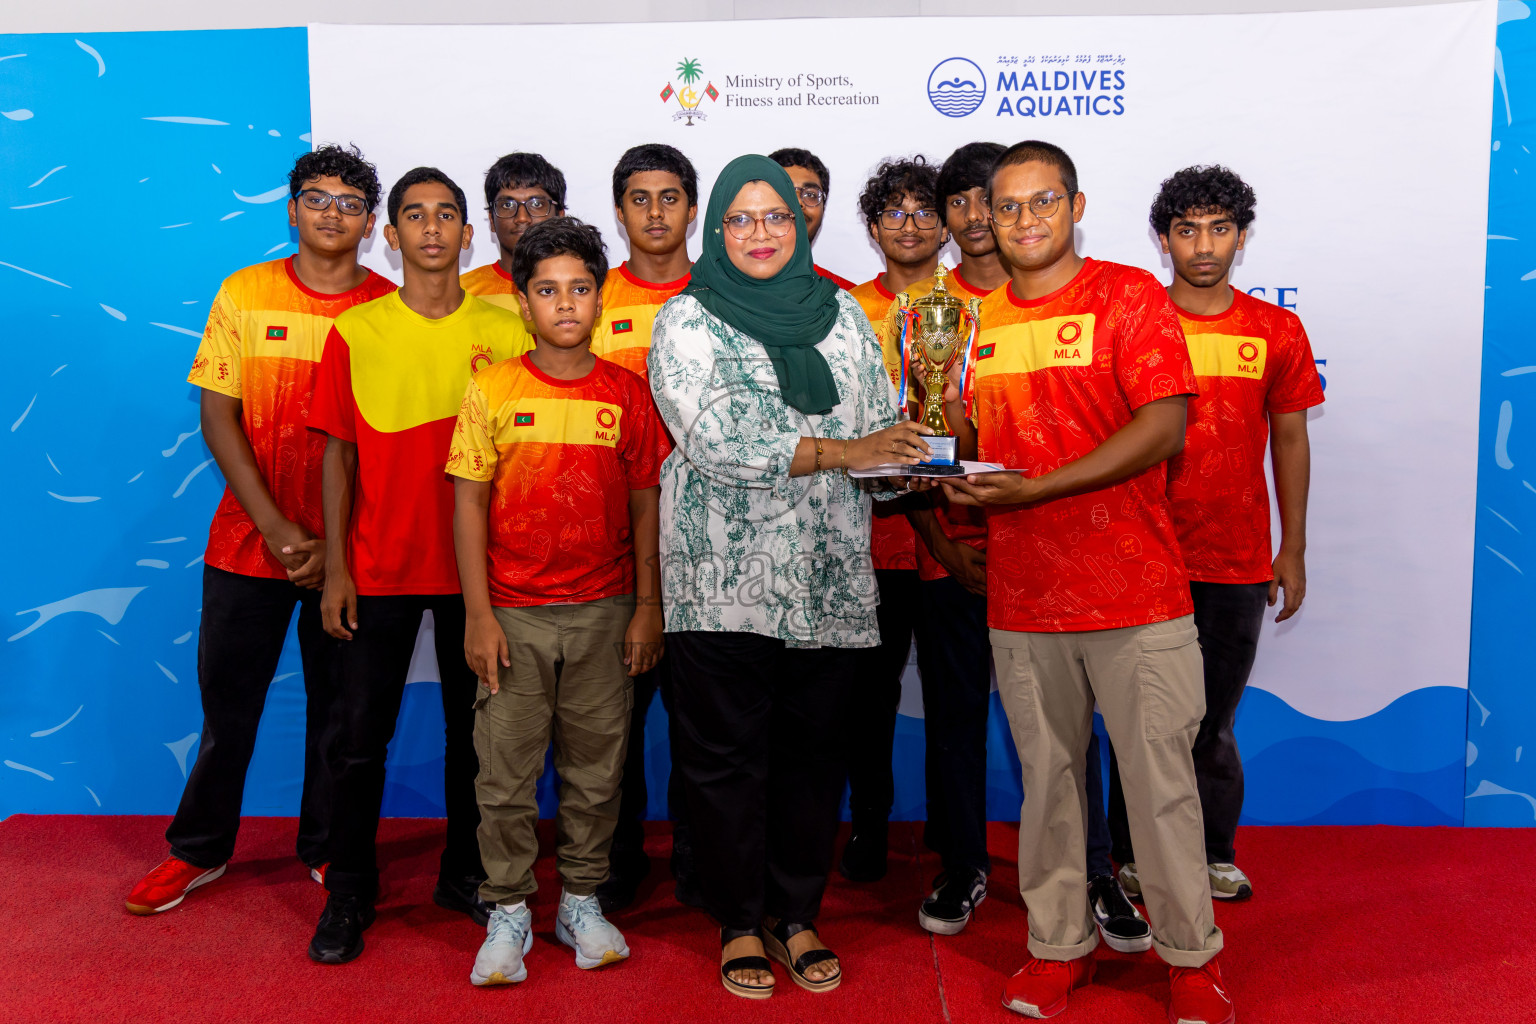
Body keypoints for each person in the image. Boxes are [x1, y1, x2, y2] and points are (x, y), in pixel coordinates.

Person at [931, 141, 1233, 1024]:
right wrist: (943, 461)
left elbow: (1165, 428)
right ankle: (1058, 948)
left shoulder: (1126, 295)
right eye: (1009, 207)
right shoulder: (970, 324)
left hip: (1135, 595)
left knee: (1160, 789)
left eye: (1043, 203)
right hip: (1024, 598)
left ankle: (1190, 960)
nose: (1026, 221)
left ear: (1077, 205)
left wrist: (1037, 488)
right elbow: (968, 438)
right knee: (1050, 786)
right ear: (987, 217)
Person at [647, 154, 933, 1000]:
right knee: (725, 761)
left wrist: (914, 460)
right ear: (717, 229)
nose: (762, 233)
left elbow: (876, 423)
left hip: (830, 578)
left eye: (777, 217)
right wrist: (853, 453)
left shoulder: (843, 313)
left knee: (814, 757)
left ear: (803, 225)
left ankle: (794, 910)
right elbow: (719, 439)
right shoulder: (687, 320)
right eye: (742, 219)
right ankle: (739, 918)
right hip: (720, 582)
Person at [125, 145, 394, 915]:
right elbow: (218, 415)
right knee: (227, 713)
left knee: (340, 717)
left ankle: (325, 850)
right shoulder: (245, 292)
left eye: (349, 203)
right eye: (318, 198)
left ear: (370, 223)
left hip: (349, 557)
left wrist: (330, 549)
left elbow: (384, 441)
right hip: (249, 546)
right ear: (292, 208)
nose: (332, 213)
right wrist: (277, 529)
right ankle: (198, 851)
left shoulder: (386, 308)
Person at [306, 167, 530, 965]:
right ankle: (350, 889)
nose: (432, 227)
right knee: (358, 740)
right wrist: (337, 569)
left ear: (469, 236)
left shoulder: (509, 328)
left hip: (483, 579)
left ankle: (464, 875)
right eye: (413, 216)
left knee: (478, 742)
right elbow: (338, 459)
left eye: (447, 215)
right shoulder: (357, 332)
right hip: (379, 570)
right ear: (389, 237)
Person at [448, 217, 671, 986]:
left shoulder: (628, 394)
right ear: (522, 302)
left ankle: (580, 899)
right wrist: (478, 615)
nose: (565, 304)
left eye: (580, 289)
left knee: (596, 770)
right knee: (504, 776)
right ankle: (508, 907)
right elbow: (469, 504)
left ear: (601, 299)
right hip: (510, 614)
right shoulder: (493, 388)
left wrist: (648, 606)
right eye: (547, 290)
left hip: (607, 611)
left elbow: (647, 502)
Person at [1108, 165, 1324, 904]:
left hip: (1234, 559)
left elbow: (1291, 441)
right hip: (1143, 557)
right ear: (1162, 239)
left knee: (1211, 721)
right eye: (1186, 229)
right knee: (1139, 722)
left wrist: (1290, 547)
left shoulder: (1276, 330)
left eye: (1220, 228)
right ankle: (1130, 854)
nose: (1203, 244)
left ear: (1242, 236)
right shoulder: (1135, 324)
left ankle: (1212, 851)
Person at [591, 143, 701, 915]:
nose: (655, 212)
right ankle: (617, 859)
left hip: (712, 553)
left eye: (670, 197)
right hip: (615, 554)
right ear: (620, 210)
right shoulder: (590, 301)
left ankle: (702, 864)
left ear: (694, 209)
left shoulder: (730, 294)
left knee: (704, 729)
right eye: (639, 197)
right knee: (613, 730)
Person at [841, 156, 948, 884]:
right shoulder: (842, 308)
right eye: (893, 212)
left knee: (953, 697)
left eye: (923, 211)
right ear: (873, 227)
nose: (909, 224)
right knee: (867, 703)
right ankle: (869, 827)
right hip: (867, 542)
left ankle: (952, 834)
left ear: (945, 224)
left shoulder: (977, 303)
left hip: (955, 539)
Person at [461, 151, 564, 335]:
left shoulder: (589, 288)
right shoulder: (462, 293)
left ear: (560, 216)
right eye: (507, 205)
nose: (522, 218)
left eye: (536, 204)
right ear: (492, 220)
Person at [769, 147, 855, 289]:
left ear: (823, 207)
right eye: (784, 191)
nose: (798, 202)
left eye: (810, 194)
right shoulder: (727, 293)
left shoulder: (850, 298)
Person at [936, 141, 1010, 300]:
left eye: (986, 199)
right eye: (958, 202)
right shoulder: (916, 303)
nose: (972, 215)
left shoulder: (1047, 292)